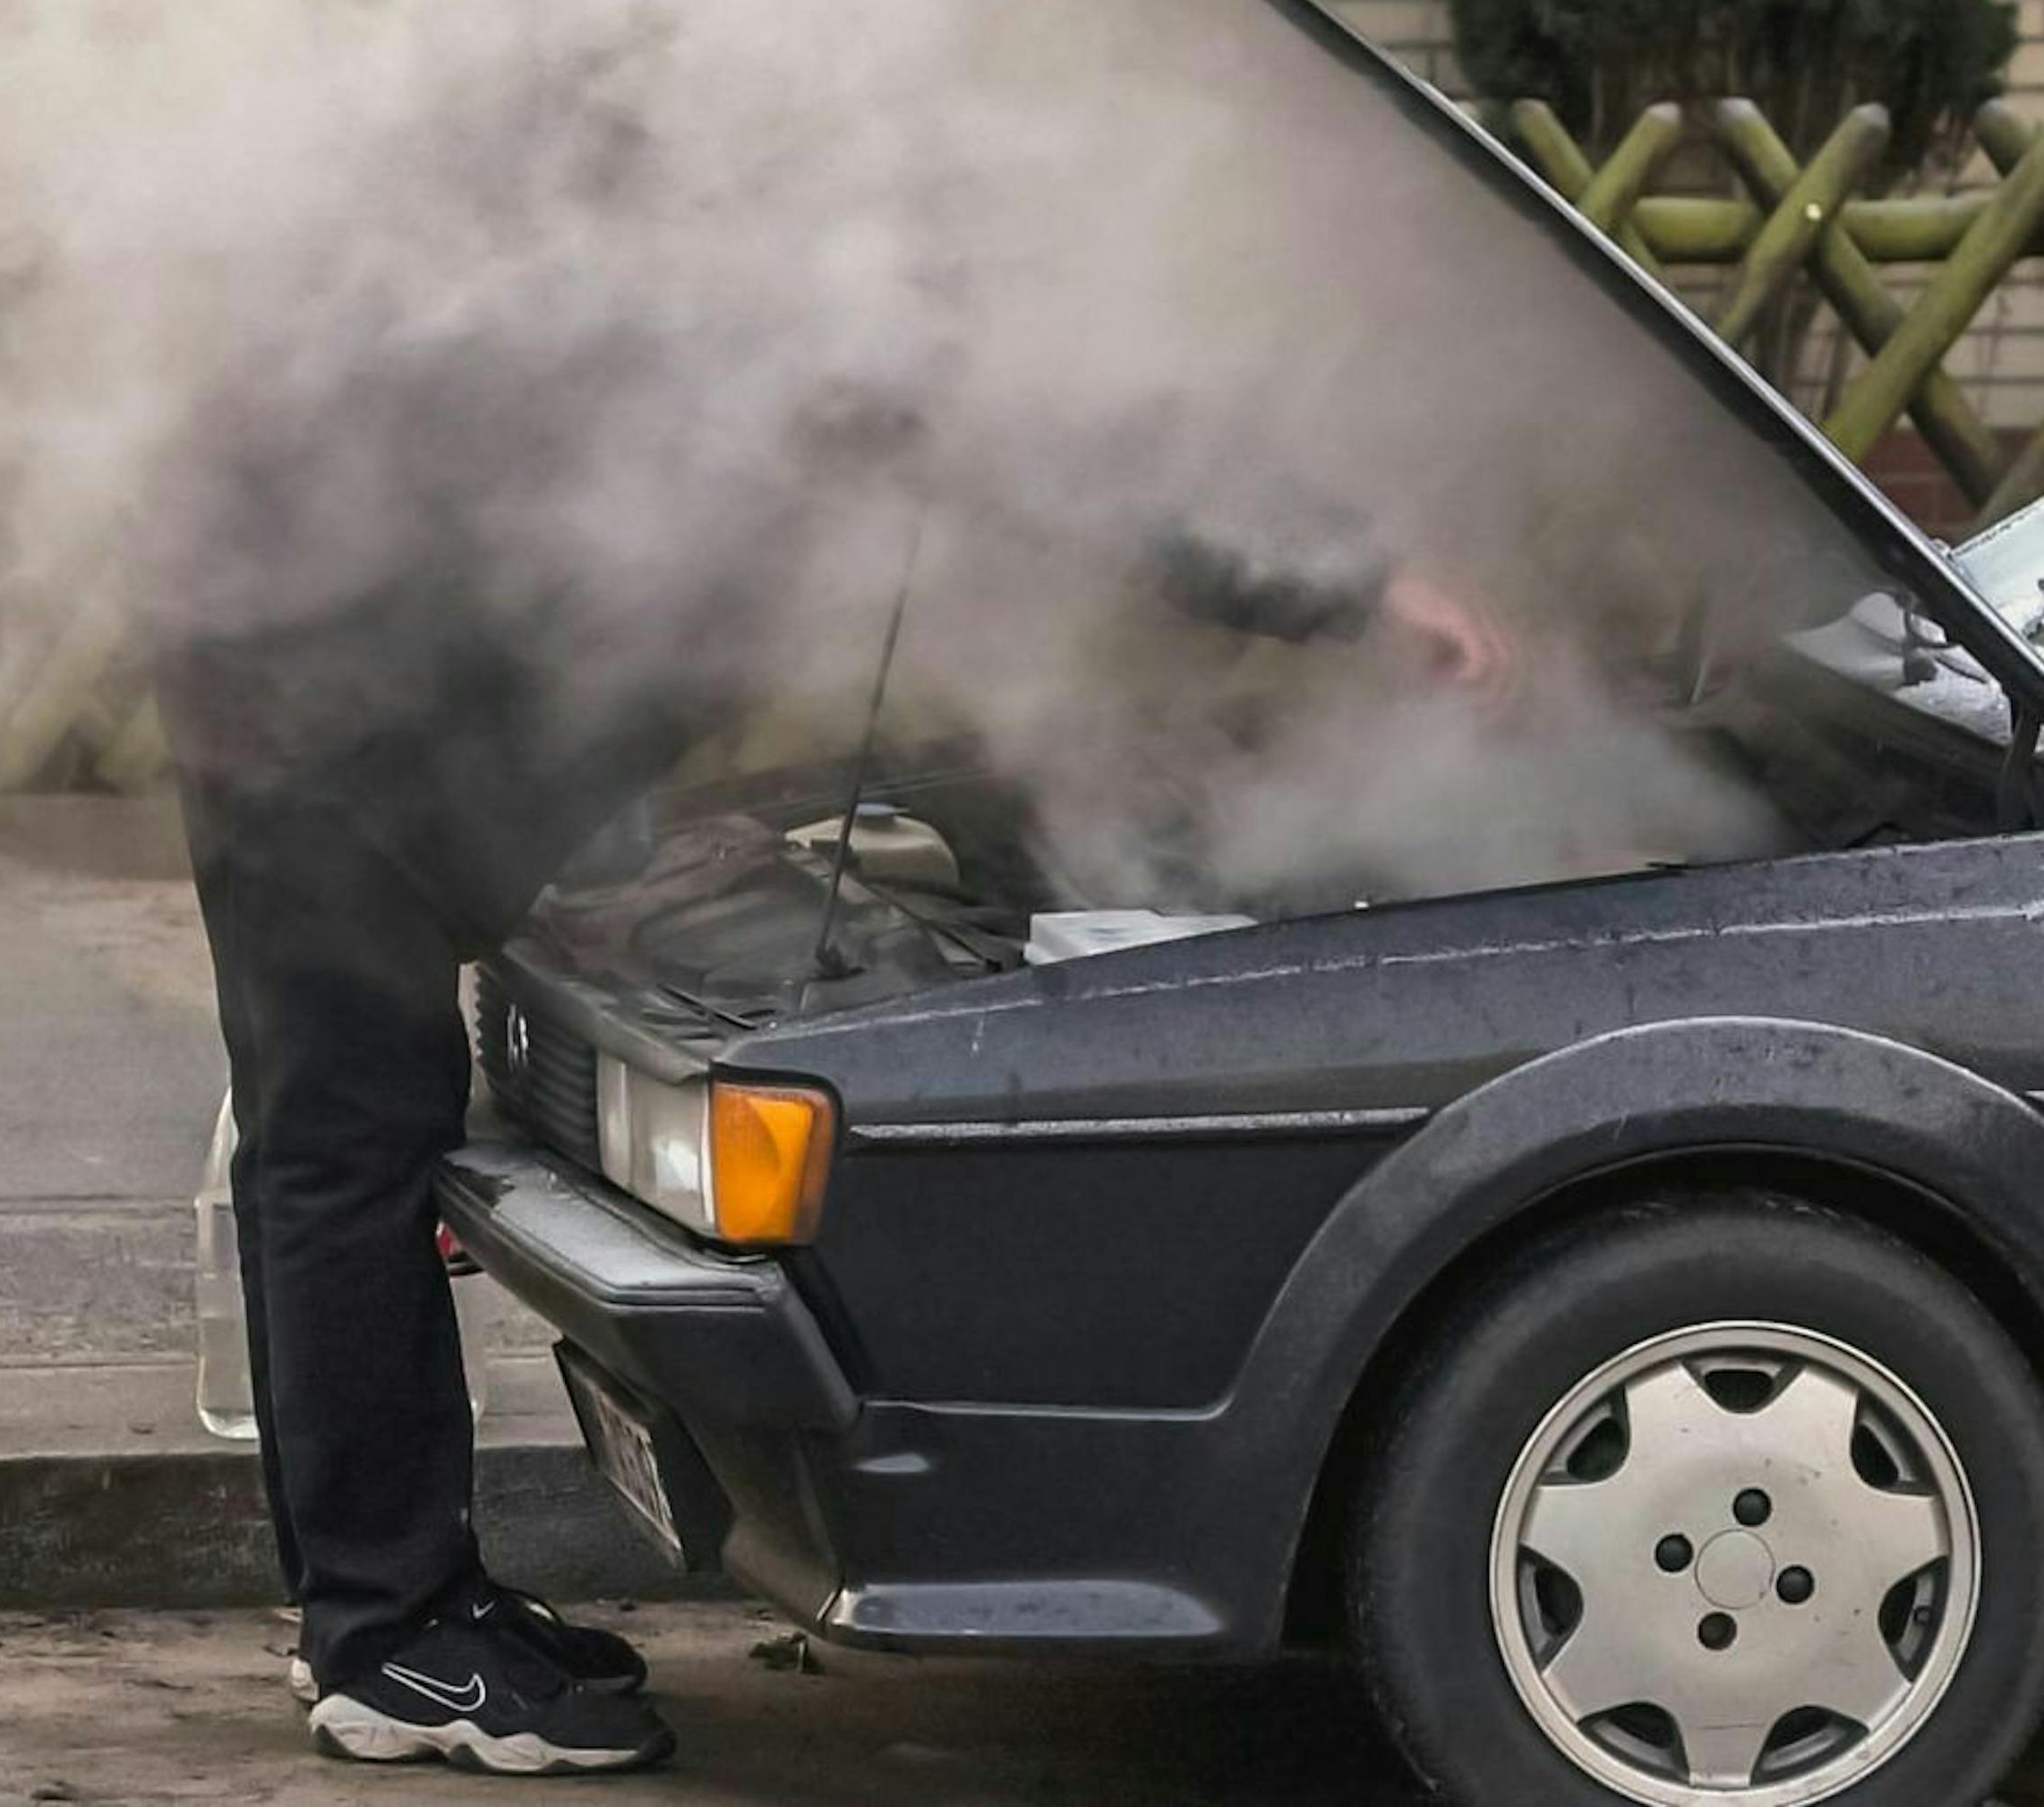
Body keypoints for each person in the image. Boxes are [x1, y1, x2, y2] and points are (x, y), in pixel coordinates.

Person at [159, 398, 1508, 1770]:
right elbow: (1050, 433)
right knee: (344, 1140)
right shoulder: (816, 272)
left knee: (325, 1139)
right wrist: (1358, 584)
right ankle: (391, 1641)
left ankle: (383, 1612)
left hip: (300, 618)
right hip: (328, 669)